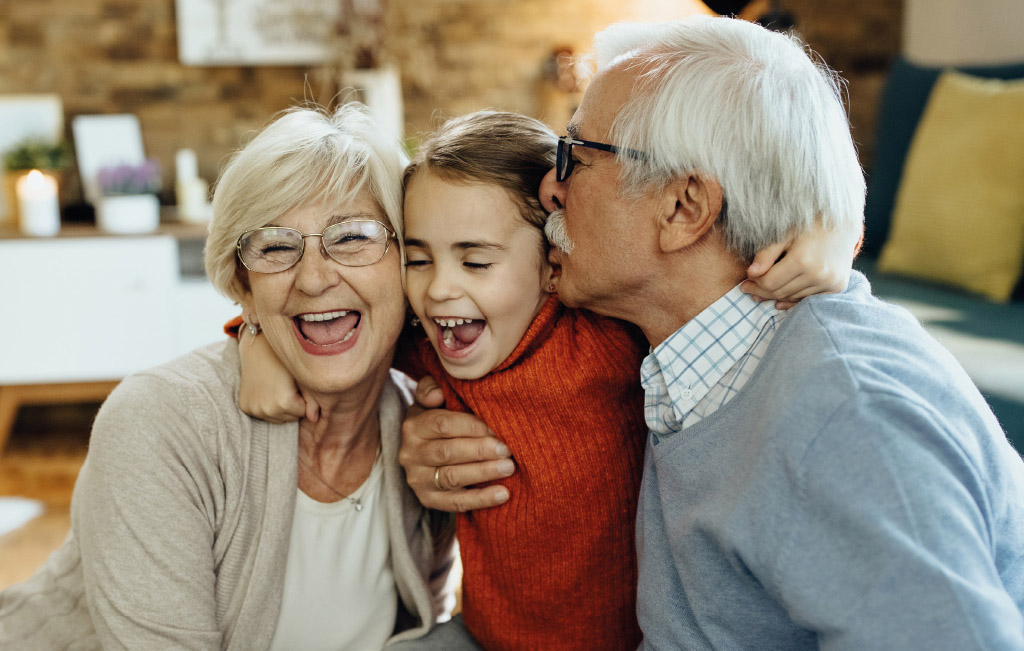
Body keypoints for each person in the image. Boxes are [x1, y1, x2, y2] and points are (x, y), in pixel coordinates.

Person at [235, 110, 861, 649]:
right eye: (418, 259)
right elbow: (323, 323)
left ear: (552, 266)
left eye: (476, 260)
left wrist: (831, 234)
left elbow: (725, 277)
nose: (439, 288)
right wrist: (257, 342)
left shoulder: (604, 337)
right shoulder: (429, 342)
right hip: (482, 638)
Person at [535, 16, 1024, 649]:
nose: (552, 186)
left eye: (576, 156)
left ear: (684, 209)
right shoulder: (677, 347)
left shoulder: (850, 422)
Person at [0, 104, 457, 650]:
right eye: (277, 247)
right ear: (245, 290)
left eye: (353, 237)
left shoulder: (425, 431)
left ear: (407, 262)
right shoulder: (160, 424)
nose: (313, 278)